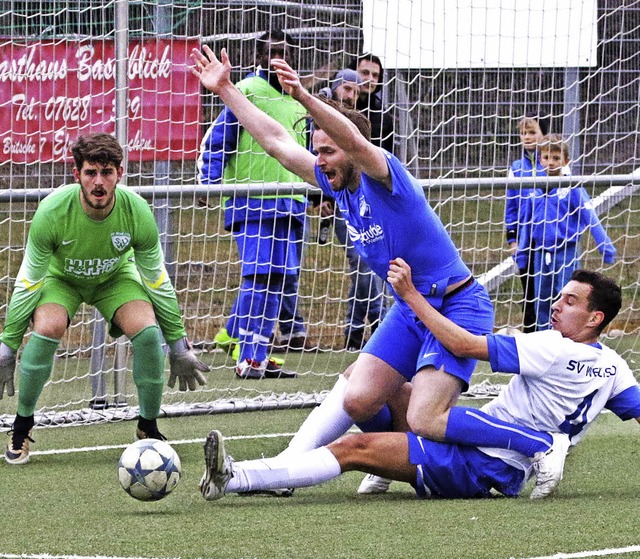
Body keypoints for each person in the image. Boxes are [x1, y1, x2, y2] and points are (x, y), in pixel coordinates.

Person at [190, 46, 568, 499]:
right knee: (359, 398)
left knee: (428, 416)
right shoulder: (336, 182)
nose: (320, 159)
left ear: (351, 149)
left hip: (456, 304)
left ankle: (543, 443)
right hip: (410, 307)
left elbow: (351, 139)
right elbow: (276, 142)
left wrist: (308, 99)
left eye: (327, 150)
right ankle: (362, 463)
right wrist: (228, 89)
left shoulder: (385, 177)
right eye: (317, 152)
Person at [199, 267, 640, 501]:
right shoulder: (614, 365)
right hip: (479, 454)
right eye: (559, 296)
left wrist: (411, 296)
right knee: (374, 382)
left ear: (595, 318)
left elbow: (465, 345)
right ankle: (389, 469)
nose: (555, 305)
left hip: (481, 468)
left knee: (354, 450)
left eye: (570, 301)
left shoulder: (554, 346)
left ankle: (236, 477)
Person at [0, 133, 209, 464]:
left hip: (114, 278)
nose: (99, 182)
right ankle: (22, 425)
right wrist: (7, 347)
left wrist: (179, 345)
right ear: (77, 175)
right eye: (90, 173)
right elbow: (29, 281)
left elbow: (158, 281)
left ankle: (148, 429)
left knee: (148, 332)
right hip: (62, 280)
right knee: (48, 327)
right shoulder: (51, 211)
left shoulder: (137, 212)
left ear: (120, 174)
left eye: (107, 172)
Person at [197, 30, 313, 379]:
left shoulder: (297, 100)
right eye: (273, 52)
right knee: (259, 275)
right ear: (260, 57)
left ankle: (246, 345)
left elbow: (307, 153)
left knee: (279, 279)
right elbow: (217, 139)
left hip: (292, 203)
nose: (280, 57)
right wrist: (208, 182)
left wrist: (319, 191)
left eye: (286, 52)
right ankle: (248, 354)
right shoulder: (246, 91)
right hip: (252, 201)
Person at [317, 67, 386, 350]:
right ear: (335, 88)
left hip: (367, 201)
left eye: (356, 92)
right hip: (340, 202)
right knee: (363, 262)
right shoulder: (321, 116)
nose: (351, 95)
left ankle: (354, 332)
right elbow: (316, 160)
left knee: (368, 263)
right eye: (347, 88)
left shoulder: (370, 121)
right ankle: (379, 323)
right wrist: (321, 199)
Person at [518, 135, 617, 331]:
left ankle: (567, 338)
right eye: (546, 157)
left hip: (566, 252)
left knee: (566, 298)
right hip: (540, 254)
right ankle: (544, 339)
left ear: (565, 161)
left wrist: (604, 245)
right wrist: (522, 251)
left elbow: (590, 215)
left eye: (556, 158)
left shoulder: (572, 187)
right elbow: (526, 222)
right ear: (540, 159)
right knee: (541, 299)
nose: (551, 162)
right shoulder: (533, 188)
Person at [506, 113, 548, 333]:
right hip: (526, 241)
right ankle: (530, 344)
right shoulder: (515, 167)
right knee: (530, 295)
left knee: (552, 294)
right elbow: (511, 206)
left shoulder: (553, 163)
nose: (527, 137)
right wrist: (512, 239)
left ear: (543, 134)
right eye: (523, 133)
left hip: (550, 241)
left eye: (532, 132)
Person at [348, 53, 395, 153]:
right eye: (365, 73)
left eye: (375, 75)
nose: (370, 79)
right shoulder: (337, 106)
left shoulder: (383, 117)